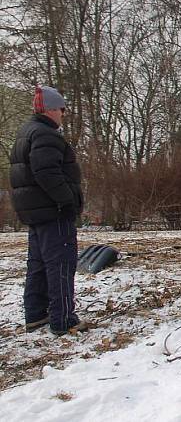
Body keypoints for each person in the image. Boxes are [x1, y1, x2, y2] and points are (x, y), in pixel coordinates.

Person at [9, 86, 87, 335]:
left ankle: (35, 314)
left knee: (39, 263)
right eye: (62, 109)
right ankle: (63, 318)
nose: (63, 114)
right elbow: (47, 173)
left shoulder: (26, 132)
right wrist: (67, 201)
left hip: (36, 212)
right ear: (51, 110)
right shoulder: (46, 135)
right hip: (53, 210)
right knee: (61, 263)